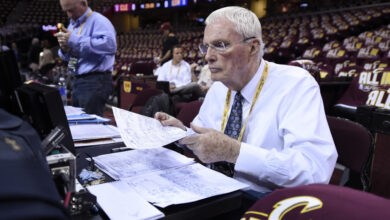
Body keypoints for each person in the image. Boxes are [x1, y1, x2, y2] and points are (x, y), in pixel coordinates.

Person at [155, 6, 337, 195]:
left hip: (266, 201)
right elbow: (208, 138)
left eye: (221, 45)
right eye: (206, 46)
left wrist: (234, 152)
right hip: (214, 190)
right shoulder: (219, 86)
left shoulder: (295, 84)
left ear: (253, 47)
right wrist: (182, 133)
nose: (208, 56)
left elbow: (314, 171)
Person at [55, 0, 117, 116]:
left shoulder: (99, 21)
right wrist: (64, 49)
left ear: (83, 3)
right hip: (77, 79)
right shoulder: (72, 25)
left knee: (90, 128)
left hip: (95, 80)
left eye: (71, 10)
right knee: (79, 123)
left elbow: (110, 46)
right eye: (66, 11)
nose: (69, 15)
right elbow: (72, 56)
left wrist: (74, 40)